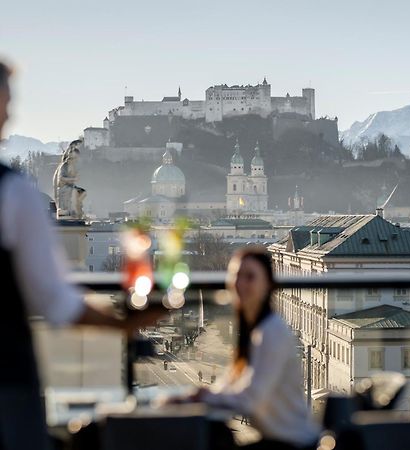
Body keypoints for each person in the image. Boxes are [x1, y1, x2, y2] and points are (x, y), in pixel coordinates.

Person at [0, 61, 165, 450]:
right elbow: (55, 299)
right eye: (6, 100)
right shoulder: (13, 194)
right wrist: (124, 324)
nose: (9, 112)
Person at [189, 246, 320, 450]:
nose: (240, 283)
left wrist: (204, 397)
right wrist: (203, 394)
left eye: (250, 277)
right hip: (281, 441)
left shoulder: (271, 331)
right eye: (236, 276)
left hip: (292, 443)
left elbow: (250, 398)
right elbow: (233, 383)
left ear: (267, 284)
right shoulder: (258, 328)